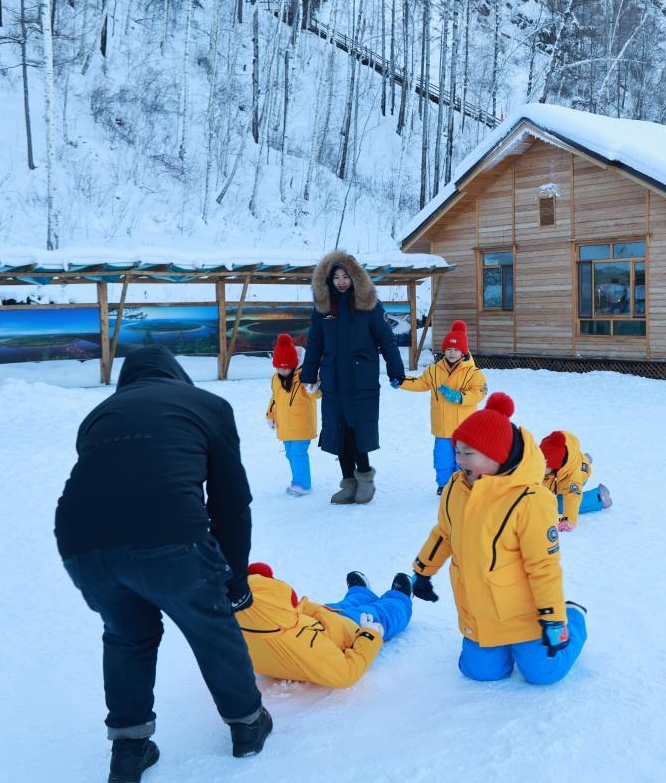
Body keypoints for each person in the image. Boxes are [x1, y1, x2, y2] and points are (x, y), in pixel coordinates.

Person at [55, 346, 272, 783]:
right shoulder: (207, 405)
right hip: (169, 533)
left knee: (127, 634)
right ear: (177, 374)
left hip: (81, 542)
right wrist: (233, 581)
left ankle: (129, 749)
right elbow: (231, 502)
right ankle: (247, 724)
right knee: (212, 627)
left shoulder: (99, 414)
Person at [411, 393, 587, 685]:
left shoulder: (530, 500)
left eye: (468, 453)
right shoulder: (456, 488)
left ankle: (573, 616)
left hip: (525, 615)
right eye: (457, 450)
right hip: (480, 613)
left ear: (497, 456)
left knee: (543, 673)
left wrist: (553, 617)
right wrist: (422, 571)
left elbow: (543, 566)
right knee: (479, 672)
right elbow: (444, 533)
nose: (458, 459)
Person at [299, 252, 407, 505]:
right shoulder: (323, 308)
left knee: (357, 430)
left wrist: (396, 370)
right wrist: (308, 374)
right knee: (338, 432)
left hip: (361, 381)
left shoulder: (369, 306)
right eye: (336, 277)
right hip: (333, 380)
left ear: (355, 277)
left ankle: (365, 479)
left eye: (345, 276)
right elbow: (315, 343)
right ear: (328, 280)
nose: (341, 282)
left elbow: (386, 340)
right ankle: (348, 483)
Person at [235, 563, 413, 688]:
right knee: (381, 613)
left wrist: (315, 610)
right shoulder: (305, 647)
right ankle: (400, 600)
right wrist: (369, 634)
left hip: (314, 621)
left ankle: (361, 593)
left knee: (343, 605)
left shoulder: (241, 623)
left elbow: (291, 609)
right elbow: (345, 675)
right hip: (343, 633)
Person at [399, 320, 489, 493]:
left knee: (463, 459)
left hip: (464, 428)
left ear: (463, 352)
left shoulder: (473, 373)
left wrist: (459, 396)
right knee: (442, 459)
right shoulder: (434, 370)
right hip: (442, 426)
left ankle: (462, 486)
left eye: (456, 349)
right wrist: (401, 381)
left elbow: (481, 391)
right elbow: (420, 383)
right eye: (448, 349)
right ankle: (444, 485)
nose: (452, 353)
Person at [265, 334, 321, 496]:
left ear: (293, 364)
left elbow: (318, 395)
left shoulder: (306, 375)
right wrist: (270, 415)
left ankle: (303, 485)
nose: (281, 371)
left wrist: (314, 388)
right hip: (284, 424)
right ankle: (297, 481)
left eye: (284, 368)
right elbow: (274, 398)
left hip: (301, 424)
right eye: (278, 368)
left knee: (298, 454)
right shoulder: (276, 379)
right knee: (290, 454)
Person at [539, 430, 612, 532]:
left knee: (559, 504)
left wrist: (567, 521)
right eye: (539, 461)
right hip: (572, 464)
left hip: (578, 475)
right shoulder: (545, 459)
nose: (539, 467)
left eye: (545, 466)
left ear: (556, 466)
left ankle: (599, 497)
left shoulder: (571, 478)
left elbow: (572, 498)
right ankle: (585, 460)